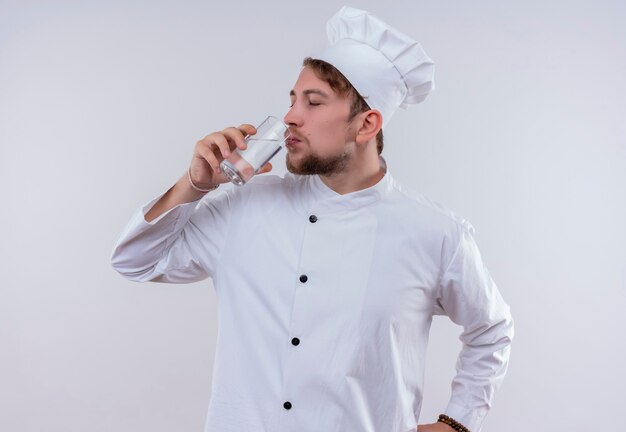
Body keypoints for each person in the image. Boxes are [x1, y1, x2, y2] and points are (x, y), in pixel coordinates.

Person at [111, 6, 513, 432]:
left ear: (366, 125)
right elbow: (135, 261)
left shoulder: (437, 234)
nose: (290, 117)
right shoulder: (244, 207)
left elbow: (492, 328)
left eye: (313, 102)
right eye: (292, 99)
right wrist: (194, 186)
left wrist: (458, 422)